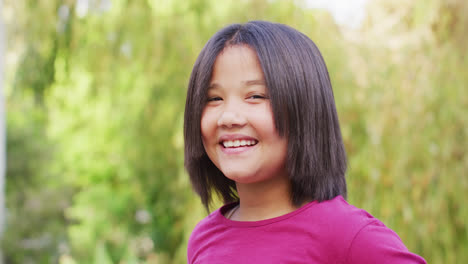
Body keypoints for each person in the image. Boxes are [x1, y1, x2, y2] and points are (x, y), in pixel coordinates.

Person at [184, 21, 426, 263]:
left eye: (255, 96)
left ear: (304, 108)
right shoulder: (204, 237)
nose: (229, 117)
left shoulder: (349, 235)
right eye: (214, 98)